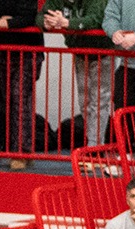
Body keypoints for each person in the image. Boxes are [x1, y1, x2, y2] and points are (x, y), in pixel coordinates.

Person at [0, 0, 44, 169]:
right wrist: (7, 20)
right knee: (8, 100)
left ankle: (20, 152)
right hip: (3, 50)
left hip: (28, 51)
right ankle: (21, 149)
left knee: (19, 98)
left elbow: (29, 16)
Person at [45, 0, 114, 146]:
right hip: (81, 53)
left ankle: (95, 146)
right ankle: (92, 143)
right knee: (84, 102)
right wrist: (46, 23)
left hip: (103, 52)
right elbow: (42, 15)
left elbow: (94, 20)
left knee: (99, 102)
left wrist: (67, 23)